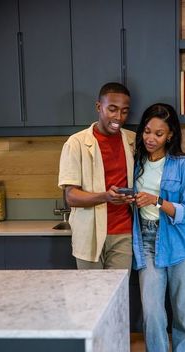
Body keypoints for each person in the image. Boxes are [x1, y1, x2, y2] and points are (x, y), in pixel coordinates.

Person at [132, 103, 185, 352]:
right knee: (153, 317)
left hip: (181, 245)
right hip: (146, 243)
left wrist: (157, 201)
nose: (151, 138)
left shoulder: (182, 165)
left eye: (159, 133)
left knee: (184, 317)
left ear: (170, 134)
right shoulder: (135, 164)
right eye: (147, 131)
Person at [58, 82, 136, 270]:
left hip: (123, 234)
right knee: (92, 297)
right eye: (112, 109)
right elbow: (71, 197)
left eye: (124, 111)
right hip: (89, 234)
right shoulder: (76, 143)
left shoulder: (133, 140)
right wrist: (105, 196)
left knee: (118, 296)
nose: (118, 117)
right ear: (98, 107)